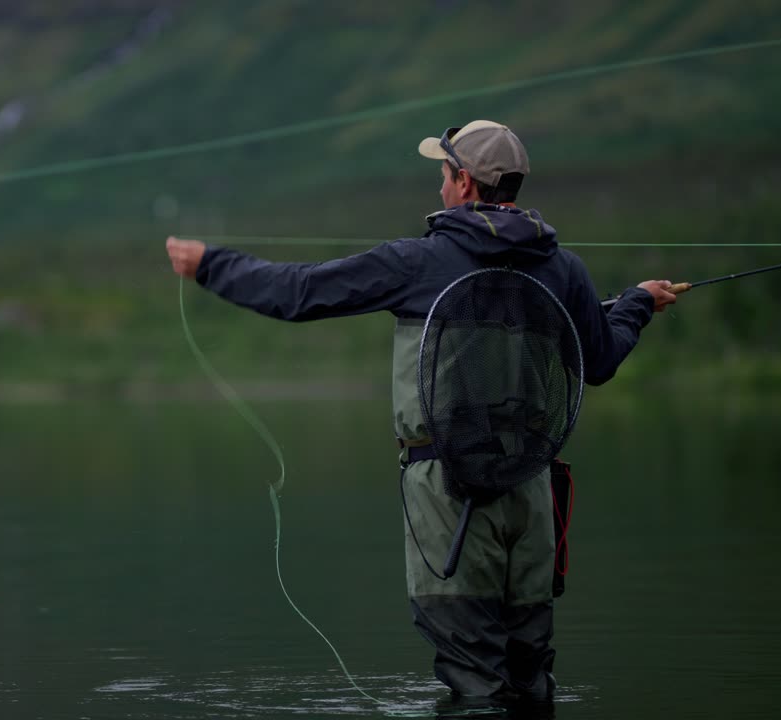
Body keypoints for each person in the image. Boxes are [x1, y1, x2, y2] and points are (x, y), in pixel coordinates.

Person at [164, 120, 678, 701]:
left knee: (474, 678)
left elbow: (299, 293)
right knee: (530, 679)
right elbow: (601, 359)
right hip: (532, 497)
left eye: (442, 175)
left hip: (450, 497)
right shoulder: (565, 269)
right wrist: (635, 304)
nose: (438, 188)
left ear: (463, 182)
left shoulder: (418, 262)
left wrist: (211, 264)